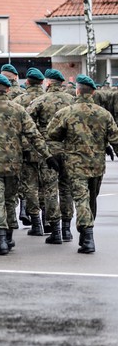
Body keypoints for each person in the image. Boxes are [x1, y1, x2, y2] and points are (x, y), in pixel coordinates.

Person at [0, 74, 56, 256]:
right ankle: (10, 237)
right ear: (7, 89)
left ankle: (2, 241)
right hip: (14, 163)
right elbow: (34, 135)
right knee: (9, 200)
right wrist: (48, 155)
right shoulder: (18, 110)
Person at [47, 74, 118, 253]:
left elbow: (52, 134)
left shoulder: (66, 112)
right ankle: (87, 234)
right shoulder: (104, 114)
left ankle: (87, 238)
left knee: (82, 199)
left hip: (75, 164)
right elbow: (115, 138)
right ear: (93, 92)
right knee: (90, 199)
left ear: (77, 91)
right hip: (97, 164)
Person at [26, 69, 76, 243]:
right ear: (60, 83)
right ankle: (67, 230)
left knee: (50, 190)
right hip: (69, 151)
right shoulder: (72, 101)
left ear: (48, 83)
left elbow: (27, 125)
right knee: (66, 189)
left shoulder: (40, 101)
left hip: (48, 151)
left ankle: (55, 230)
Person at [12, 68, 47, 235]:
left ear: (27, 82)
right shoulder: (50, 99)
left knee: (30, 186)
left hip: (27, 149)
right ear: (42, 82)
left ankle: (36, 223)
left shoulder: (19, 100)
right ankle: (50, 221)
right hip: (49, 150)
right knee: (48, 186)